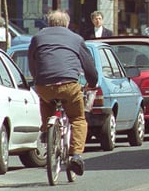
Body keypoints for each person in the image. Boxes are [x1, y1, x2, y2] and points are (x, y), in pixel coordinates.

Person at [28, 10, 99, 177]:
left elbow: (32, 61)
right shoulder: (76, 38)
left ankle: (47, 130)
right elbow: (89, 66)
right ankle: (76, 155)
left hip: (44, 85)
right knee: (78, 119)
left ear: (49, 23)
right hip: (69, 85)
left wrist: (37, 78)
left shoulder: (37, 38)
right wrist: (92, 83)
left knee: (46, 101)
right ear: (67, 24)